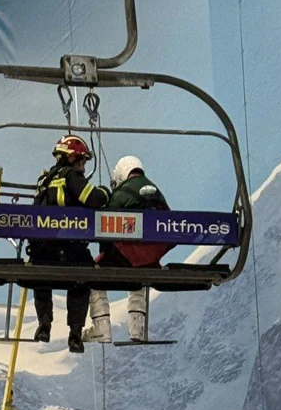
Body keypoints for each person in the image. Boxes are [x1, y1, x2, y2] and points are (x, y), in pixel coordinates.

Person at [28, 135, 110, 354]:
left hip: (43, 252)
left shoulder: (43, 182)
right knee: (82, 279)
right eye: (82, 161)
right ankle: (75, 334)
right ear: (73, 158)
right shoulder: (71, 177)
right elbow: (93, 198)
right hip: (70, 249)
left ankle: (44, 324)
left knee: (40, 277)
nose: (83, 166)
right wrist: (106, 191)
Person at [84, 155, 173, 345]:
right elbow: (171, 226)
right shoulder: (157, 191)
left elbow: (105, 228)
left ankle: (102, 328)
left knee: (93, 274)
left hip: (129, 253)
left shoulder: (121, 193)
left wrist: (106, 253)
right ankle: (137, 329)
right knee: (140, 277)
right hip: (152, 257)